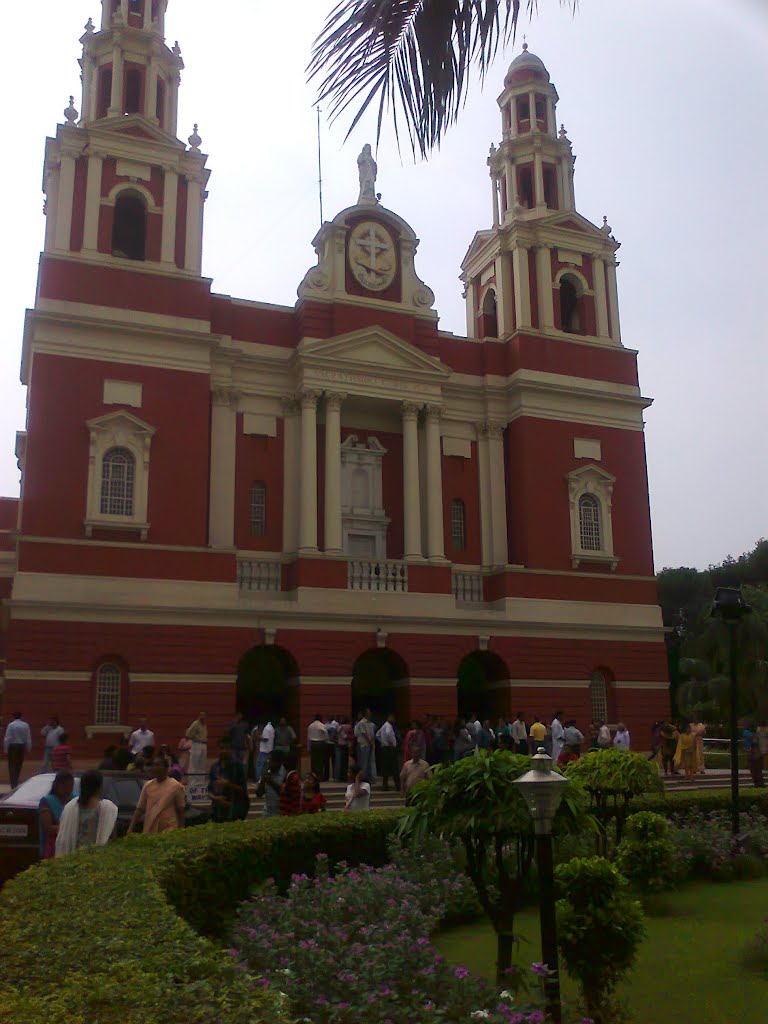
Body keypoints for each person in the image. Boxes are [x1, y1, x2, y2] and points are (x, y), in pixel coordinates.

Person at [55, 770, 118, 856]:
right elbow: (111, 837)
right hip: (95, 859)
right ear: (99, 787)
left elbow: (62, 836)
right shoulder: (106, 808)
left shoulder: (71, 807)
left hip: (74, 858)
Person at [128, 755, 186, 834]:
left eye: (158, 765)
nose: (155, 768)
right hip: (150, 829)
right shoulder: (148, 785)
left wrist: (181, 829)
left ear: (166, 768)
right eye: (154, 765)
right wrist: (130, 828)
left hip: (169, 830)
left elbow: (181, 810)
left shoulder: (176, 786)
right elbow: (139, 809)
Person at [208, 737, 250, 823]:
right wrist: (215, 798)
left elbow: (243, 790)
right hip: (217, 812)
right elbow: (209, 790)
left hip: (234, 811)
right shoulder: (214, 767)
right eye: (221, 748)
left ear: (231, 750)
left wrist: (228, 784)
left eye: (227, 748)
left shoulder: (238, 766)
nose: (224, 751)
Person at [39, 772, 74, 859]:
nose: (68, 790)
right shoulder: (47, 801)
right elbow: (48, 828)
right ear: (57, 785)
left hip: (72, 845)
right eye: (65, 786)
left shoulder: (75, 799)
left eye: (70, 787)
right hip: (54, 846)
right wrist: (70, 828)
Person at [4, 712, 32, 789]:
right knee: (19, 764)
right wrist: (28, 748)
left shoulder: (11, 725)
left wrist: (6, 749)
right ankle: (16, 779)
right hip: (21, 746)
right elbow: (28, 737)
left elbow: (7, 738)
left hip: (13, 746)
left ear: (13, 717)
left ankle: (13, 783)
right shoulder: (25, 725)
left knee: (12, 765)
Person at [256, 750, 286, 817]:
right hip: (267, 813)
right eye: (268, 760)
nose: (268, 762)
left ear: (279, 762)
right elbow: (259, 794)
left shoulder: (285, 774)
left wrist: (271, 782)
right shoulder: (268, 772)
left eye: (270, 760)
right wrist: (263, 780)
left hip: (281, 814)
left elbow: (284, 794)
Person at [376, 712, 399, 791]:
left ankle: (385, 785)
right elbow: (389, 734)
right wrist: (391, 743)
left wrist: (382, 742)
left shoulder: (383, 726)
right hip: (390, 748)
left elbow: (377, 735)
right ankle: (398, 785)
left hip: (385, 748)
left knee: (385, 767)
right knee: (394, 767)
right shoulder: (388, 726)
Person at [354, 709, 377, 783]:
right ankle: (362, 778)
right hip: (364, 745)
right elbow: (364, 734)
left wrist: (372, 742)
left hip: (370, 745)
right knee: (364, 762)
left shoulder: (369, 724)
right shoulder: (361, 723)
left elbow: (371, 734)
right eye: (368, 713)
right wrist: (370, 742)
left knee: (369, 762)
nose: (370, 714)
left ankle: (369, 778)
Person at [307, 714, 329, 779]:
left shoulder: (310, 726)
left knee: (313, 761)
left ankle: (313, 775)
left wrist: (308, 747)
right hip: (320, 743)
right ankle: (320, 776)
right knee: (320, 761)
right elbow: (326, 734)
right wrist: (326, 740)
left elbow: (308, 737)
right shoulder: (322, 725)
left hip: (313, 743)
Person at [335, 716, 353, 781]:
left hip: (340, 745)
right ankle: (344, 776)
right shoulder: (349, 726)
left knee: (340, 762)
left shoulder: (340, 727)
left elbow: (343, 736)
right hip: (346, 745)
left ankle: (340, 777)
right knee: (345, 762)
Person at [324, 714, 339, 783]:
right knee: (326, 761)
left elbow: (338, 733)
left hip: (334, 744)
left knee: (334, 761)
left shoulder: (336, 724)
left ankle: (335, 776)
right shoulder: (325, 724)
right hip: (327, 744)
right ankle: (326, 776)